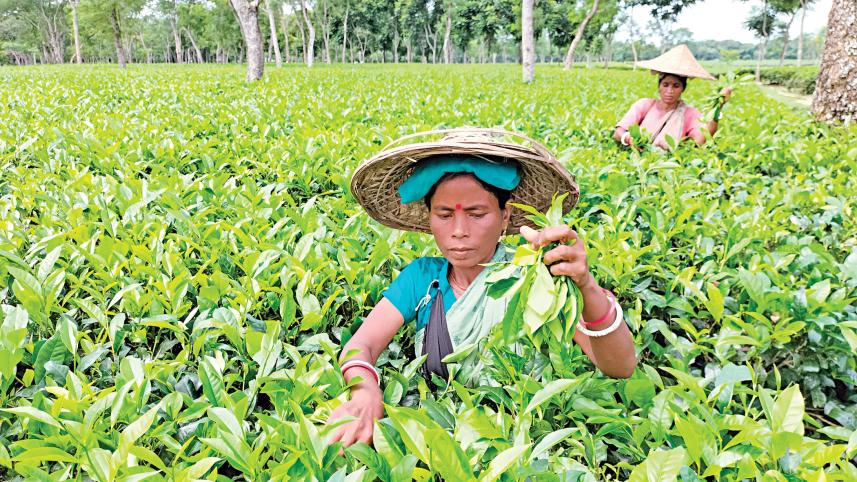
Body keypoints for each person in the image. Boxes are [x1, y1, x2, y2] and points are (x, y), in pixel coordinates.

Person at [329, 128, 637, 448]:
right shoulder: (422, 279)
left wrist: (585, 285)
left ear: (505, 216)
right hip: (439, 441)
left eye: (476, 214)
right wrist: (365, 391)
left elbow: (620, 366)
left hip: (525, 445)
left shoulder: (536, 276)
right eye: (444, 215)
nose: (459, 231)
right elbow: (361, 344)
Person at [613, 44, 732, 151]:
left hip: (667, 164)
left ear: (683, 89)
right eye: (665, 85)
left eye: (676, 86)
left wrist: (718, 107)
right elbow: (618, 132)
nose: (669, 91)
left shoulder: (689, 113)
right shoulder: (645, 105)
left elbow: (702, 140)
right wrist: (629, 139)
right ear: (659, 86)